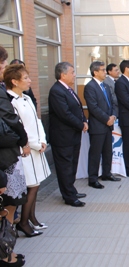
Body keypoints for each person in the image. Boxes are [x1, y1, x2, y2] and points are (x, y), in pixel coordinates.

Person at [4, 64, 51, 237]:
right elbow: (20, 128)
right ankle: (23, 223)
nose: (30, 81)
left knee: (36, 184)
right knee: (31, 186)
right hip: (25, 150)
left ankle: (31, 218)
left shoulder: (26, 98)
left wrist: (43, 140)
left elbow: (37, 121)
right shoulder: (10, 101)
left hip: (36, 147)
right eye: (26, 78)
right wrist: (35, 144)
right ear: (14, 81)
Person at [0, 45, 27, 267]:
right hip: (4, 159)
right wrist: (22, 138)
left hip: (8, 157)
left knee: (11, 204)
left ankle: (6, 250)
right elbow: (12, 125)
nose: (4, 67)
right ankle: (5, 254)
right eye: (1, 63)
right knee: (7, 205)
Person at [48, 62, 88, 207]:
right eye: (72, 72)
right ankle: (69, 196)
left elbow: (78, 107)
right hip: (63, 137)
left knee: (72, 164)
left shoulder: (69, 90)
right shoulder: (57, 91)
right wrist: (80, 124)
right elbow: (64, 114)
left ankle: (71, 189)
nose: (74, 75)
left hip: (73, 135)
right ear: (63, 75)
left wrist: (84, 120)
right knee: (65, 167)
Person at [84, 61, 120, 189]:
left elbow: (112, 103)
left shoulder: (105, 86)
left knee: (107, 151)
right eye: (103, 70)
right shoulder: (90, 87)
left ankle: (106, 173)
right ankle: (93, 179)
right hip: (98, 125)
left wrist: (113, 116)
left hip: (108, 124)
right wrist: (106, 119)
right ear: (95, 72)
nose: (105, 72)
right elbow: (93, 108)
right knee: (95, 153)